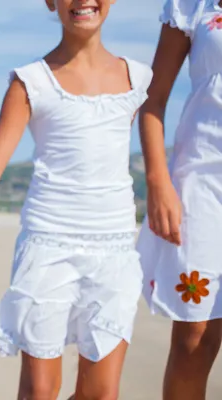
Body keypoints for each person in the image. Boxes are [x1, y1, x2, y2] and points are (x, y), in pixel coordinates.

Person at [0, 0, 153, 398]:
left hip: (115, 250)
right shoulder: (30, 82)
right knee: (39, 391)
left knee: (101, 393)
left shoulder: (136, 78)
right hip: (48, 248)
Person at [135, 0, 222, 398]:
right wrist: (158, 181)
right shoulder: (194, 4)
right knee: (193, 339)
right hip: (203, 184)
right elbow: (153, 99)